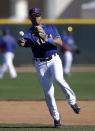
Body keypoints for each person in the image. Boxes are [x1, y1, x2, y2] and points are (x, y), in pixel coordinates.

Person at [18, 8, 80, 128]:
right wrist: (21, 42)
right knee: (48, 93)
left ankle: (72, 102)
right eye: (34, 15)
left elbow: (60, 42)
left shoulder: (50, 27)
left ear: (41, 16)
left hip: (54, 59)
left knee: (59, 79)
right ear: (30, 17)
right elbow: (24, 42)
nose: (36, 17)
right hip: (40, 64)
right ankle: (56, 119)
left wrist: (47, 38)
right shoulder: (29, 33)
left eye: (38, 15)